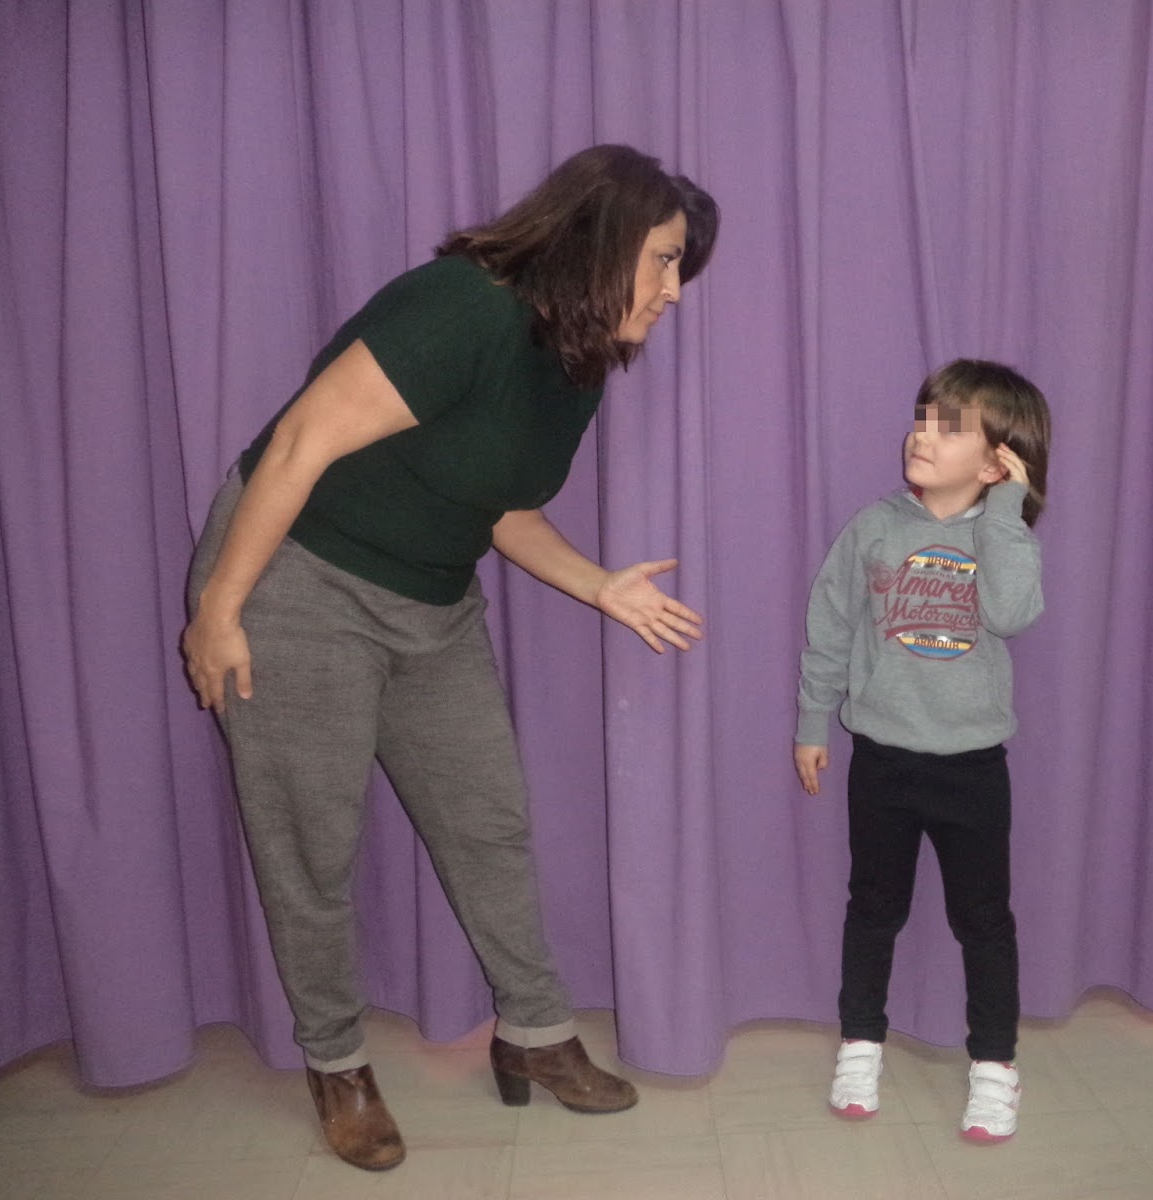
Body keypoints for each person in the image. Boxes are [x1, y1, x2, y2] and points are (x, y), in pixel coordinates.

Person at [183, 145, 718, 1172]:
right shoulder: (461, 307)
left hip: (431, 602)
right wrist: (219, 609)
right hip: (300, 584)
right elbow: (298, 444)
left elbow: (503, 508)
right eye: (662, 260)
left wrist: (601, 585)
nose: (672, 291)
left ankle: (535, 1032)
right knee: (311, 846)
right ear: (599, 238)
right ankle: (337, 1063)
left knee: (488, 821)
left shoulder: (575, 361)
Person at [793, 359, 1050, 1143]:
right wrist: (812, 722)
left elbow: (1011, 614)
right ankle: (860, 1045)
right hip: (883, 760)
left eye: (950, 427)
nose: (921, 435)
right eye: (921, 417)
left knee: (984, 921)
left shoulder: (1001, 537)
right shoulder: (873, 527)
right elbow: (830, 627)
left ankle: (995, 1064)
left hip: (972, 768)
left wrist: (1004, 510)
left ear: (996, 460)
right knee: (874, 909)